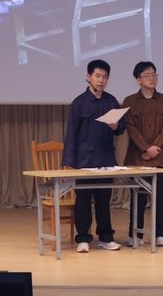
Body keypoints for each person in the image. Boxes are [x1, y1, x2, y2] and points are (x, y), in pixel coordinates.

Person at [62, 59, 127, 253]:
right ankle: (83, 238)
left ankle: (106, 237)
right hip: (84, 160)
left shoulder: (111, 101)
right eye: (97, 76)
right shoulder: (79, 103)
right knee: (83, 200)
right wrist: (68, 161)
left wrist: (116, 126)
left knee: (103, 200)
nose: (101, 80)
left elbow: (121, 128)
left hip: (106, 159)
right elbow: (71, 133)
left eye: (105, 77)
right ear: (88, 77)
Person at [121, 61, 163, 248]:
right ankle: (135, 234)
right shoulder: (129, 102)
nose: (152, 78)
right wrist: (145, 148)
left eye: (154, 74)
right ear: (138, 80)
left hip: (161, 156)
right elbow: (131, 129)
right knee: (138, 197)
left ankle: (160, 234)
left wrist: (154, 148)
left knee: (161, 197)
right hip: (138, 157)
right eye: (147, 75)